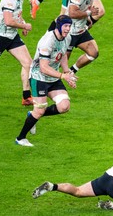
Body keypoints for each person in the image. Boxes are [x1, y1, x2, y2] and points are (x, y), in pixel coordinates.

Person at [15, 15, 78, 147]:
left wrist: (67, 73)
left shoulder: (68, 38)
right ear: (59, 26)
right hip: (39, 77)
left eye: (69, 26)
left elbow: (63, 56)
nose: (67, 29)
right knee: (40, 110)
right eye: (65, 26)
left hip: (53, 77)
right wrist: (62, 76)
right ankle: (20, 138)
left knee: (64, 106)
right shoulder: (47, 41)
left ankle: (33, 116)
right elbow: (43, 67)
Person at [65, 0, 101, 74]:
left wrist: (88, 19)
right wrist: (89, 13)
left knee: (93, 53)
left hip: (80, 31)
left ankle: (72, 71)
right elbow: (72, 13)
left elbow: (84, 8)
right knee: (61, 63)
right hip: (69, 32)